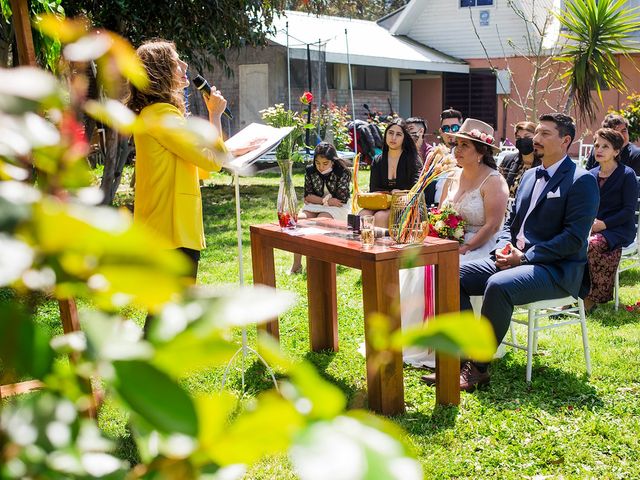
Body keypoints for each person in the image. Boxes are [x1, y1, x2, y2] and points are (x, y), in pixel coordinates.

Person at [422, 113, 599, 391]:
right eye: (536, 132)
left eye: (545, 134)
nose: (535, 139)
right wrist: (506, 245)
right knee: (450, 273)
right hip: (514, 258)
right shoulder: (529, 176)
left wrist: (526, 257)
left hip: (555, 270)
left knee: (498, 285)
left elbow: (574, 239)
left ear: (565, 141)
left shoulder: (581, 180)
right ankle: (462, 355)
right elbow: (509, 222)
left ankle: (479, 368)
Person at [126, 40, 256, 280]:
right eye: (176, 61)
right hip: (171, 230)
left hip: (164, 228)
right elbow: (211, 161)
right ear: (160, 72)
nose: (185, 64)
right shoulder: (162, 116)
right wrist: (215, 115)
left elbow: (193, 159)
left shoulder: (156, 113)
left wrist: (229, 150)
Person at [402, 119, 508, 369]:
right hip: (449, 240)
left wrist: (466, 247)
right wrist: (438, 232)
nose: (456, 150)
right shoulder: (452, 176)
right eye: (456, 144)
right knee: (416, 265)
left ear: (481, 152)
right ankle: (418, 340)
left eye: (465, 146)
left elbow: (493, 225)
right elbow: (441, 211)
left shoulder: (494, 181)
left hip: (480, 244)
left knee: (448, 270)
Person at [585, 128, 639, 312]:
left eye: (605, 146)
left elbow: (628, 211)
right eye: (596, 145)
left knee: (593, 244)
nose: (598, 150)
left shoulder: (627, 175)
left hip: (619, 229)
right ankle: (569, 294)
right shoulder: (590, 174)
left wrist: (603, 225)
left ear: (616, 151)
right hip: (591, 227)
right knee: (570, 242)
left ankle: (591, 299)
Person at [290, 142, 352, 273]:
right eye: (317, 163)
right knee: (299, 220)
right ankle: (297, 264)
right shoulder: (310, 171)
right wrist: (326, 201)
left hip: (338, 208)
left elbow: (341, 199)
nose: (321, 167)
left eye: (325, 163)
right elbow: (307, 196)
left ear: (332, 161)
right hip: (316, 205)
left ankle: (319, 264)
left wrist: (321, 201)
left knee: (320, 221)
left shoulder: (342, 172)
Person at [361, 119, 422, 228]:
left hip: (405, 204)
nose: (393, 138)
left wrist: (399, 193)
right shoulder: (378, 160)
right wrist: (390, 194)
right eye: (390, 133)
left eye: (398, 134)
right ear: (385, 135)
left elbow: (415, 189)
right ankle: (365, 243)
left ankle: (384, 244)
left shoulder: (413, 159)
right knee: (363, 215)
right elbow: (373, 189)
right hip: (381, 202)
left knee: (380, 217)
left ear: (404, 138)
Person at [425, 108, 464, 206]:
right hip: (433, 208)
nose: (450, 131)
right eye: (446, 128)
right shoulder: (434, 155)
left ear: (462, 129)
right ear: (441, 132)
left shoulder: (468, 155)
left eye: (455, 128)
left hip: (458, 208)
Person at [499, 121, 542, 198]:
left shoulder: (544, 163)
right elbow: (498, 186)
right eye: (518, 137)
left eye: (527, 137)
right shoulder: (508, 160)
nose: (522, 140)